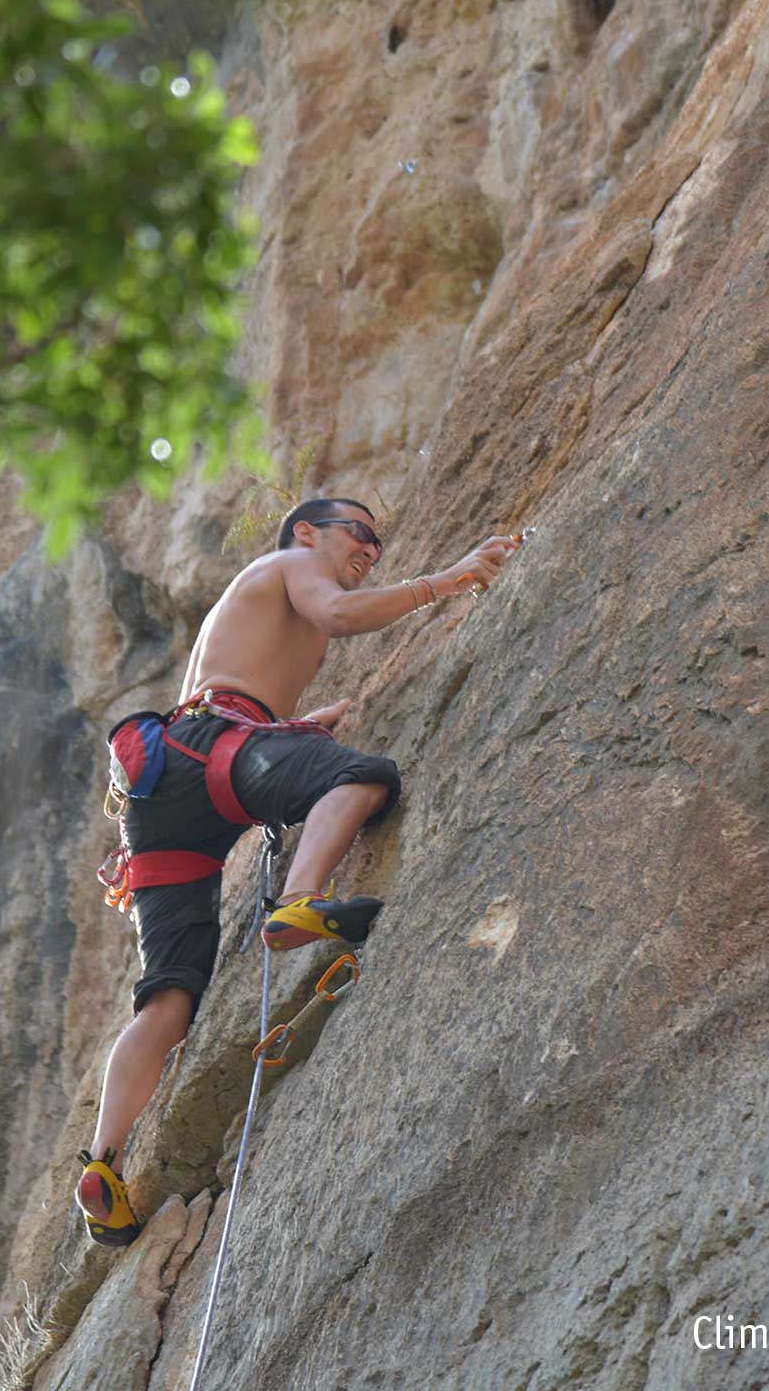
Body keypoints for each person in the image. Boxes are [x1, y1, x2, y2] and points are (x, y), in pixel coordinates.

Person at [74, 498, 519, 1247]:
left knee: (170, 999)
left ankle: (104, 1168)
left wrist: (298, 728)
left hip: (169, 791)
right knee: (361, 779)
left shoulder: (246, 615)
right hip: (214, 748)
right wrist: (450, 579)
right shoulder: (295, 563)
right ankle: (301, 901)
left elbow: (238, 696)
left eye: (379, 543)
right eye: (360, 533)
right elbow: (340, 616)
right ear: (308, 531)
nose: (371, 548)